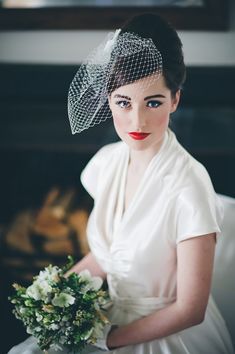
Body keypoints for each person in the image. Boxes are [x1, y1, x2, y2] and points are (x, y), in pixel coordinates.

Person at [9, 13, 234, 354]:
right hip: (108, 316)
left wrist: (107, 340)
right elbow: (111, 258)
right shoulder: (108, 162)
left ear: (175, 100)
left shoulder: (190, 187)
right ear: (109, 100)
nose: (137, 121)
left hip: (166, 335)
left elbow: (191, 310)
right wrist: (52, 294)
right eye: (123, 103)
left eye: (153, 102)